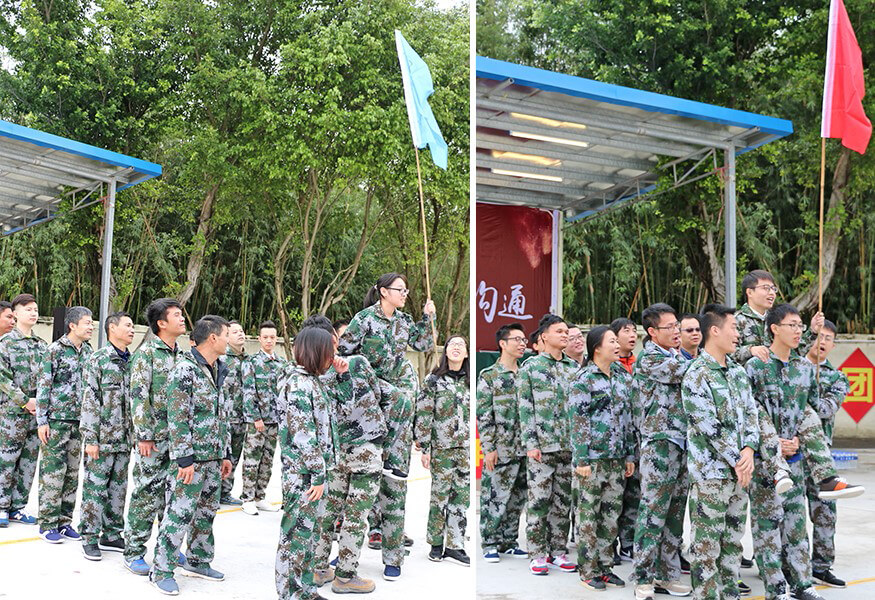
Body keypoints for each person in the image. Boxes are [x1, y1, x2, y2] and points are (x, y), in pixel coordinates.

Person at [338, 272, 435, 581]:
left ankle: (393, 558)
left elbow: (424, 342)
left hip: (394, 421)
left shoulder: (404, 322)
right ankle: (344, 558)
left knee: (394, 490)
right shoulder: (364, 319)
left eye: (406, 290)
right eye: (399, 289)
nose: (404, 294)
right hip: (367, 409)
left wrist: (428, 317)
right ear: (383, 292)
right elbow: (343, 354)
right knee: (354, 494)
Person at [732, 271, 861, 500]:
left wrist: (812, 331)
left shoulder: (779, 320)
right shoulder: (736, 321)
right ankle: (777, 467)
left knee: (806, 410)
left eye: (773, 289)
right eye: (765, 288)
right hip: (753, 391)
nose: (771, 293)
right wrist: (749, 350)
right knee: (759, 414)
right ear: (749, 292)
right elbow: (722, 353)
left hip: (782, 387)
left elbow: (794, 350)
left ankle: (827, 478)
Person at [746, 304, 827, 600]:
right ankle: (776, 589)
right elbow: (748, 413)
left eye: (800, 326)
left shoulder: (804, 368)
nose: (798, 331)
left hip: (795, 459)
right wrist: (773, 443)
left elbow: (810, 411)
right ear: (774, 329)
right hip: (766, 462)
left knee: (796, 524)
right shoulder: (755, 367)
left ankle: (803, 584)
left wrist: (798, 441)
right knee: (767, 526)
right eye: (792, 325)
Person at [149, 315, 233, 595]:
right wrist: (184, 459)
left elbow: (221, 415)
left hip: (213, 457)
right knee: (179, 514)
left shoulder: (219, 368)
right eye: (226, 335)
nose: (228, 340)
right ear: (213, 338)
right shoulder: (185, 370)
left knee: (205, 514)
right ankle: (161, 569)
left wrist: (225, 454)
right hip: (191, 460)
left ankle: (198, 561)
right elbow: (177, 417)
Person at [682, 305, 758, 600]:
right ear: (714, 331)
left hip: (739, 474)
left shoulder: (737, 372)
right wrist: (739, 459)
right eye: (734, 328)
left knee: (732, 543)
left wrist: (749, 450)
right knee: (706, 546)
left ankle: (730, 594)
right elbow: (707, 426)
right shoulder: (697, 374)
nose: (738, 334)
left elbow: (751, 414)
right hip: (711, 475)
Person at [307, 314, 385, 594]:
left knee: (327, 512)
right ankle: (345, 576)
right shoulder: (357, 363)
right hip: (365, 449)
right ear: (334, 339)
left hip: (335, 452)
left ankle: (318, 569)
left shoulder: (312, 375)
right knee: (355, 515)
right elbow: (377, 394)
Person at [275, 326, 346, 600]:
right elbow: (304, 435)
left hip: (314, 473)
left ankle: (306, 590)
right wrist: (318, 474)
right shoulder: (298, 384)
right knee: (294, 536)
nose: (333, 356)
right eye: (330, 350)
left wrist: (342, 375)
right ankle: (289, 593)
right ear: (317, 351)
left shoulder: (314, 381)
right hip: (303, 475)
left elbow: (343, 405)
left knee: (309, 536)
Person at [632, 303, 692, 600]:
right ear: (652, 332)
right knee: (653, 512)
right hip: (659, 444)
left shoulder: (676, 355)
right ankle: (643, 577)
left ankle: (667, 576)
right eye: (670, 327)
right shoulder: (650, 358)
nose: (677, 331)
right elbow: (687, 372)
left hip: (682, 443)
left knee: (675, 514)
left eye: (677, 326)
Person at [570, 326, 635, 591]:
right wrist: (582, 460)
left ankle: (606, 567)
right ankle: (588, 570)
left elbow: (629, 418)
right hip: (593, 460)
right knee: (589, 516)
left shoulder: (622, 376)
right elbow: (578, 421)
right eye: (612, 341)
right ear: (597, 347)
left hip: (616, 458)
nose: (617, 345)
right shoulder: (583, 379)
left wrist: (629, 454)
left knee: (611, 516)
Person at [124, 298, 186, 575]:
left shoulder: (182, 355)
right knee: (146, 493)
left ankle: (167, 548)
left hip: (177, 440)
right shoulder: (147, 354)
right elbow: (138, 397)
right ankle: (133, 550)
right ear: (161, 323)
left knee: (172, 496)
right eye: (176, 315)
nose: (182, 319)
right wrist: (144, 436)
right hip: (154, 440)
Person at [517, 313, 578, 576]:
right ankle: (537, 553)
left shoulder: (573, 368)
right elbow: (525, 408)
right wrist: (531, 443)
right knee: (539, 501)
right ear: (544, 336)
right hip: (541, 447)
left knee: (563, 502)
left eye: (566, 332)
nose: (565, 335)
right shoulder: (531, 367)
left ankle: (558, 551)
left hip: (567, 446)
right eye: (559, 331)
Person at [79, 311, 136, 560]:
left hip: (124, 439)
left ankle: (112, 534)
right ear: (112, 328)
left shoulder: (133, 361)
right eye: (128, 325)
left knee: (118, 490)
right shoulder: (99, 359)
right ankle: (89, 537)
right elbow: (90, 400)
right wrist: (91, 438)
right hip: (101, 440)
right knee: (95, 489)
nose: (132, 330)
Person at [36, 306, 94, 543]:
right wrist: (42, 421)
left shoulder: (89, 352)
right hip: (56, 421)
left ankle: (64, 522)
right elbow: (44, 386)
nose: (91, 327)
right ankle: (47, 523)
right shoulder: (55, 350)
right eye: (87, 323)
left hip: (78, 422)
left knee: (72, 472)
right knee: (52, 472)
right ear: (72, 325)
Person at [416, 334, 470, 567]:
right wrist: (424, 447)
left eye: (461, 345)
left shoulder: (469, 381)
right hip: (441, 448)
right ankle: (436, 544)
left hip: (465, 449)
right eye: (452, 344)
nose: (456, 347)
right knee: (440, 498)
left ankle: (455, 545)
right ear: (445, 351)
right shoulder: (434, 380)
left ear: (466, 353)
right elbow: (424, 414)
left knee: (461, 497)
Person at [804, 320, 850, 589]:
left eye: (828, 339)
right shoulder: (791, 367)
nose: (822, 342)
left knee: (825, 511)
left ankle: (821, 566)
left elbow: (825, 409)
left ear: (833, 345)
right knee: (787, 513)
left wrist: (801, 392)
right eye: (818, 336)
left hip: (820, 456)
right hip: (791, 452)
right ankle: (788, 564)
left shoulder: (837, 378)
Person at [478, 323, 528, 563]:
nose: (522, 344)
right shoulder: (490, 375)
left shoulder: (526, 373)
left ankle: (509, 541)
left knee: (518, 497)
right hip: (501, 448)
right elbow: (484, 414)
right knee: (494, 495)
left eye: (524, 340)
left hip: (524, 447)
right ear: (502, 344)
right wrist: (489, 448)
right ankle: (489, 542)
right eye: (516, 339)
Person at [0, 293, 47, 527]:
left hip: (36, 414)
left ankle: (17, 507)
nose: (33, 313)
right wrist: (25, 401)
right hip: (12, 413)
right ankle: (1, 507)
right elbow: (3, 378)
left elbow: (48, 379)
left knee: (29, 462)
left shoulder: (42, 346)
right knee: (7, 460)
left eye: (35, 309)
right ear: (16, 314)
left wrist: (41, 404)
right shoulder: (5, 343)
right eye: (28, 309)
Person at [240, 320, 286, 515]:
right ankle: (247, 498)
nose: (269, 341)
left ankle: (260, 496)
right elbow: (248, 392)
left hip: (275, 420)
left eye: (272, 337)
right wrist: (255, 417)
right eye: (265, 337)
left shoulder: (282, 363)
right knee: (252, 459)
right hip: (258, 421)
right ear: (259, 339)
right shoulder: (251, 362)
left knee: (267, 460)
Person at [610, 317, 639, 562]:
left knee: (634, 495)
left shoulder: (640, 364)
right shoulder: (607, 366)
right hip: (614, 442)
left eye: (633, 331)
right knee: (612, 496)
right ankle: (608, 545)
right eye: (626, 331)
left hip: (636, 440)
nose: (632, 335)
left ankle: (628, 543)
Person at [219, 320, 247, 506]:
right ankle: (213, 492)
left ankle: (225, 492)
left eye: (241, 331)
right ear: (227, 337)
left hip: (242, 418)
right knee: (222, 456)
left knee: (235, 458)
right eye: (235, 332)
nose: (240, 334)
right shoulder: (222, 360)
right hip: (225, 418)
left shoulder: (249, 361)